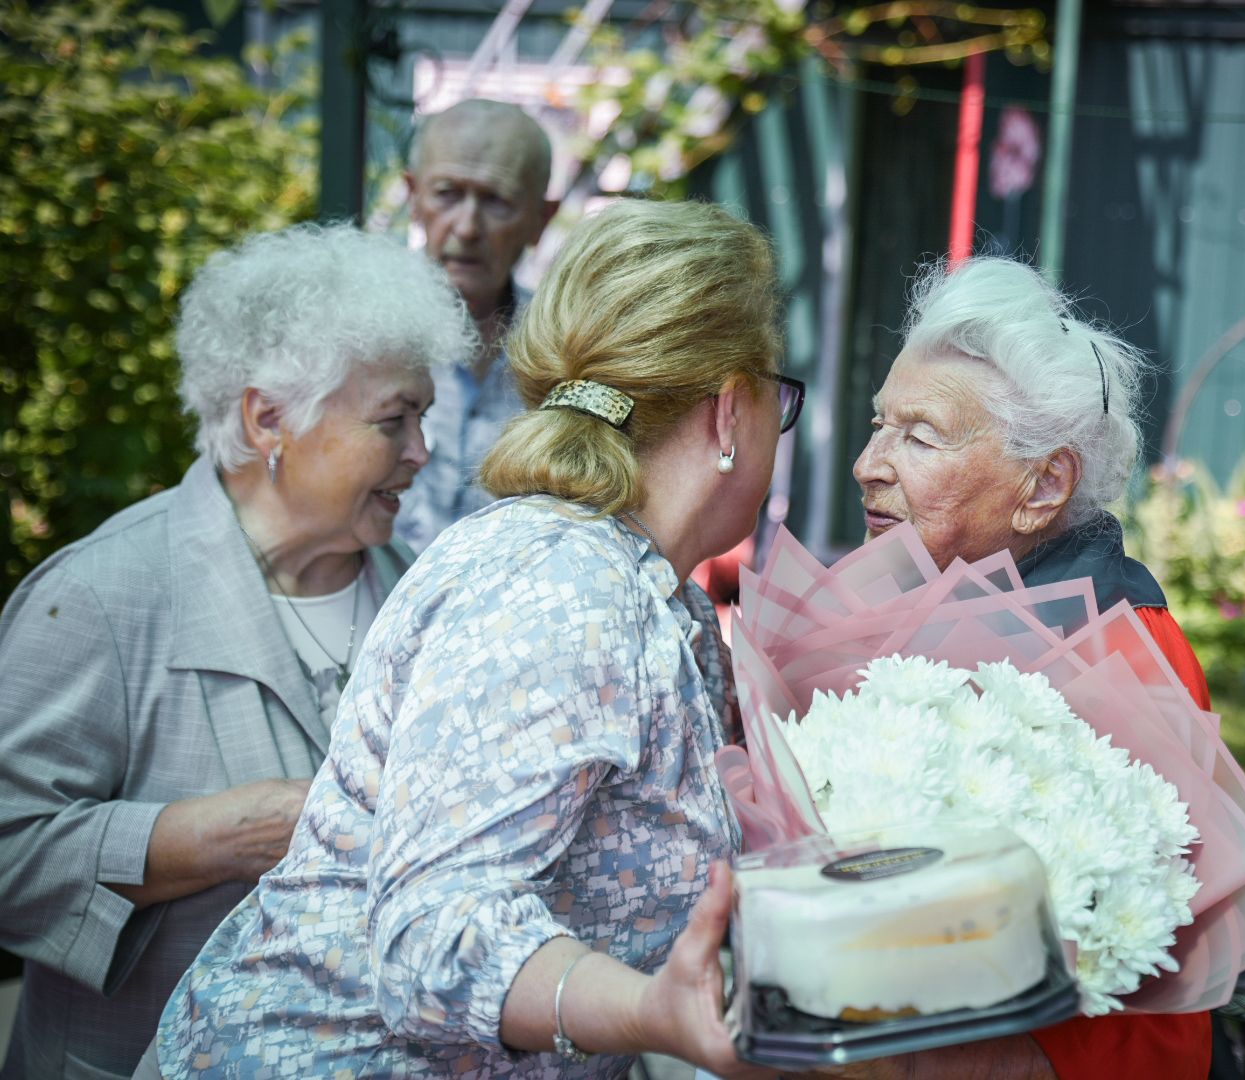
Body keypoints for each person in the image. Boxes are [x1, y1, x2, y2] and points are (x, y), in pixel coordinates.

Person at [143, 199, 801, 1080]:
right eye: (778, 400)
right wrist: (649, 1010)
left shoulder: (647, 590)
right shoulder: (561, 584)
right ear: (730, 411)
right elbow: (435, 934)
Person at [0, 223, 472, 1079]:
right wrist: (210, 838)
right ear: (269, 419)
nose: (421, 455)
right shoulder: (104, 595)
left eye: (423, 420)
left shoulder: (421, 593)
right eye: (392, 422)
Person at [846, 255, 1212, 1080]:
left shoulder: (1118, 649)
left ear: (1043, 486)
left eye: (920, 435)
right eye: (879, 424)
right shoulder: (937, 590)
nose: (871, 462)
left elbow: (1145, 966)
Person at [394, 97, 558, 552]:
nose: (466, 227)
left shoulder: (565, 353)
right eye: (447, 193)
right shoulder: (360, 336)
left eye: (497, 201)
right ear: (413, 197)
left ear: (540, 220)